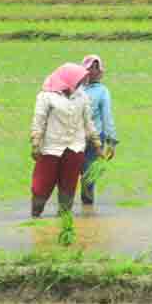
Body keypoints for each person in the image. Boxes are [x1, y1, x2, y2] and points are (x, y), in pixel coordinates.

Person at [30, 64, 100, 218]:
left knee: (68, 186)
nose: (81, 82)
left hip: (75, 147)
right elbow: (39, 120)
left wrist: (97, 143)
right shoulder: (46, 96)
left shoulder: (82, 96)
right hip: (51, 148)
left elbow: (88, 121)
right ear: (69, 79)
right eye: (79, 79)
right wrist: (36, 143)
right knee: (42, 185)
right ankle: (36, 214)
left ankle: (64, 217)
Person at [80, 54, 117, 207]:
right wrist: (111, 142)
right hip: (79, 138)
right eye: (91, 68)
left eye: (96, 68)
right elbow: (107, 117)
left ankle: (85, 209)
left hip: (91, 139)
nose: (93, 71)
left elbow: (107, 117)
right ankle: (85, 207)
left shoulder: (76, 89)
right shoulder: (78, 89)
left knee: (85, 174)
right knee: (87, 174)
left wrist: (111, 141)